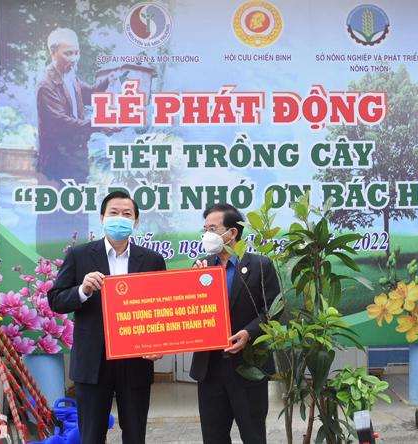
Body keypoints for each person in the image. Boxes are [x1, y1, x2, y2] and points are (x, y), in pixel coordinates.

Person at [48, 191, 165, 444]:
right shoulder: (79, 255)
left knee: (135, 435)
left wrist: (159, 344)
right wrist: (82, 290)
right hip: (92, 361)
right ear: (102, 218)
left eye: (127, 214)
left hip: (135, 361)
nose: (119, 218)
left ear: (135, 222)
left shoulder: (153, 260)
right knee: (91, 435)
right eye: (113, 213)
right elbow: (56, 300)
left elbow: (160, 308)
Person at [190, 203, 280, 444]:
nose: (207, 235)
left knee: (253, 436)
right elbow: (190, 311)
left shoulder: (261, 266)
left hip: (248, 367)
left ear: (233, 232)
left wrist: (249, 333)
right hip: (209, 370)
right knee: (213, 437)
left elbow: (272, 311)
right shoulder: (201, 268)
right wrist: (193, 282)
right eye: (205, 229)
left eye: (213, 228)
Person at [35, 28, 118, 254]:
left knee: (79, 214)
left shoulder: (70, 76)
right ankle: (49, 266)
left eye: (76, 53)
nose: (74, 59)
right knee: (55, 217)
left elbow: (88, 94)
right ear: (53, 53)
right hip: (55, 165)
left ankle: (78, 262)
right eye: (68, 54)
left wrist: (106, 82)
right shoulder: (47, 84)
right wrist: (98, 124)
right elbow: (62, 122)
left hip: (76, 160)